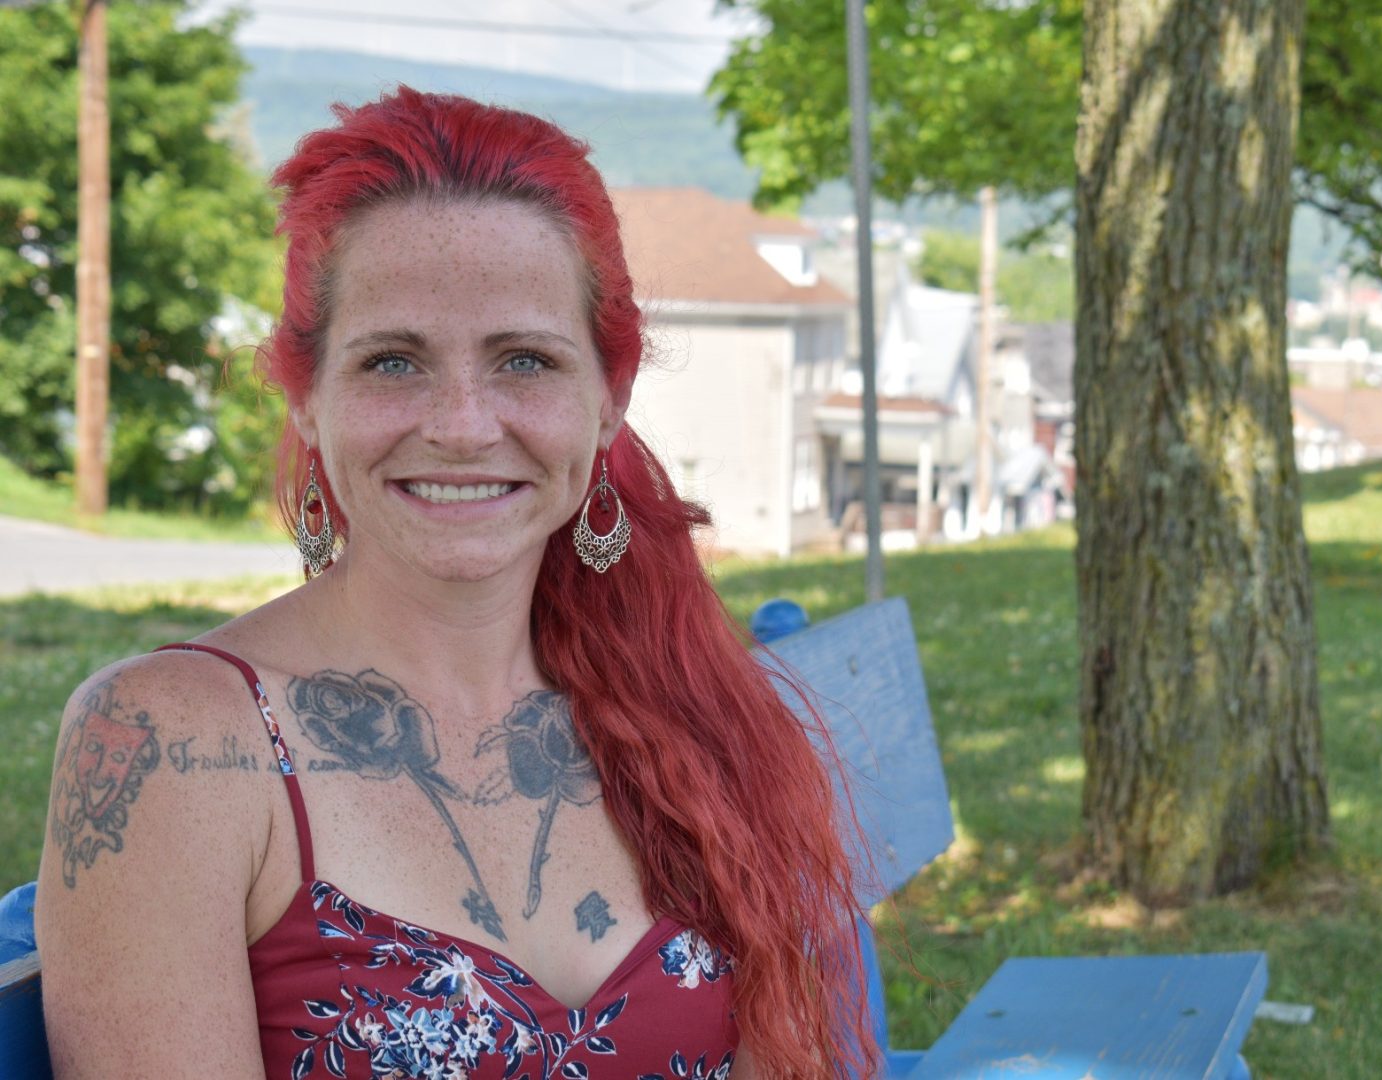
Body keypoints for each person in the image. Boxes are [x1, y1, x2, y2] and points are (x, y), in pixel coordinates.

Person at [36, 87, 874, 1079]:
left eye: (524, 359)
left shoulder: (676, 711)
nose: (466, 426)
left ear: (609, 402)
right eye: (394, 363)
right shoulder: (172, 739)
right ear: (307, 402)